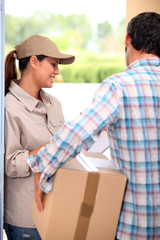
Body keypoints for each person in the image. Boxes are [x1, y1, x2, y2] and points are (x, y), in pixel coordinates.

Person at [28, 12, 160, 239]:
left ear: (127, 40)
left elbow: (77, 134)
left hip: (135, 228)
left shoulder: (119, 87)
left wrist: (41, 166)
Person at [4, 34, 75, 240]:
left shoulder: (53, 103)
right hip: (26, 219)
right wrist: (55, 146)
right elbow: (11, 164)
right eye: (53, 64)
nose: (57, 71)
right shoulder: (9, 107)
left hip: (55, 210)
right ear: (34, 61)